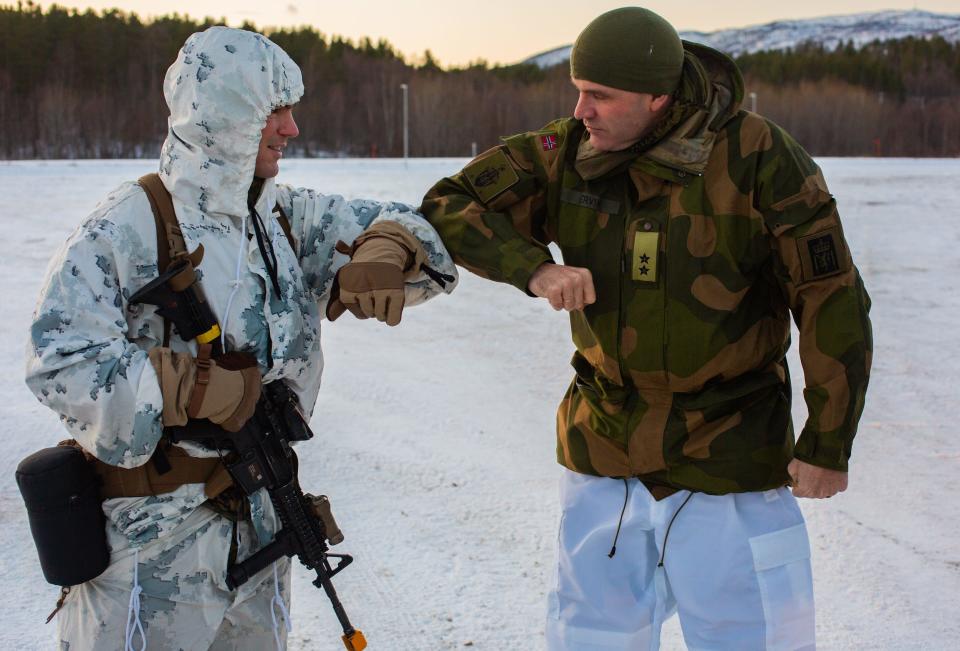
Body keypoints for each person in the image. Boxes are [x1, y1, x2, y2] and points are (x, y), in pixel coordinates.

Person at [421, 7, 871, 650]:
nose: (581, 110)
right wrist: (533, 270)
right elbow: (448, 204)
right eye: (577, 91)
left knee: (751, 637)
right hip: (605, 453)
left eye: (599, 96)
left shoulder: (758, 157)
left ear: (658, 97)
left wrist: (828, 443)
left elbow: (831, 295)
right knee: (593, 638)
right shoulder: (567, 152)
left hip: (730, 461)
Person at [25, 26, 457, 650]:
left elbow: (426, 231)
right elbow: (57, 360)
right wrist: (185, 388)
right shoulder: (129, 225)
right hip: (150, 556)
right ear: (226, 118)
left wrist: (388, 250)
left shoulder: (283, 217)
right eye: (274, 111)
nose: (291, 129)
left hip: (259, 529)